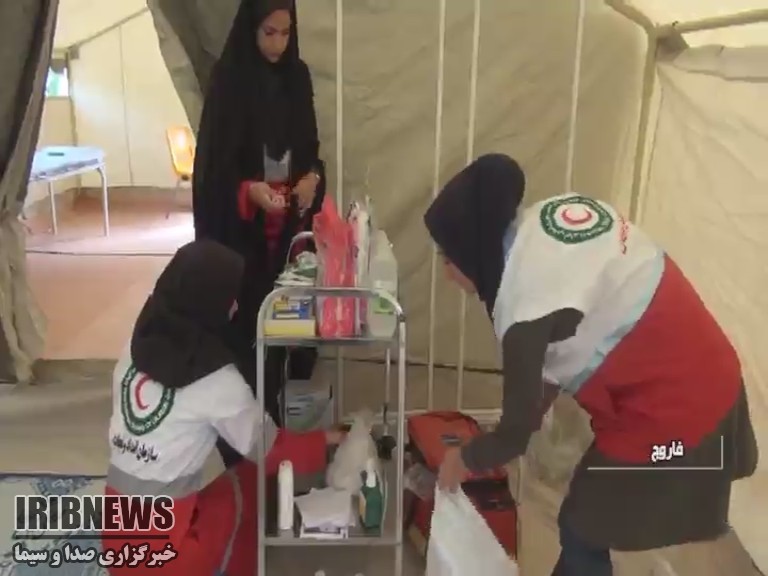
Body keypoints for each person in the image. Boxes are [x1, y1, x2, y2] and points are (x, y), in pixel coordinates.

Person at [424, 154, 758, 575]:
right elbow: (561, 347)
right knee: (591, 509)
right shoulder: (549, 220)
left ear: (472, 254)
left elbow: (514, 435)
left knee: (585, 525)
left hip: (674, 419)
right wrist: (528, 410)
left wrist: (465, 458)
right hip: (713, 371)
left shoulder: (524, 312)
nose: (447, 275)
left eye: (448, 258)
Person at [104, 240, 342, 576]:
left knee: (195, 487)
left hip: (116, 547)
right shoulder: (217, 380)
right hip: (163, 563)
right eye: (229, 296)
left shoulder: (132, 350)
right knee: (250, 481)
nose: (234, 306)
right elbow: (270, 450)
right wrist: (328, 439)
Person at [191, 0, 325, 461]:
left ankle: (279, 432)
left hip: (286, 232)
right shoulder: (229, 80)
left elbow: (311, 151)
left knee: (287, 328)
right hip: (242, 234)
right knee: (244, 334)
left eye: (286, 33)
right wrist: (249, 191)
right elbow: (213, 170)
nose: (278, 44)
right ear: (251, 29)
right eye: (269, 32)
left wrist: (312, 178)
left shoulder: (297, 77)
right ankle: (238, 444)